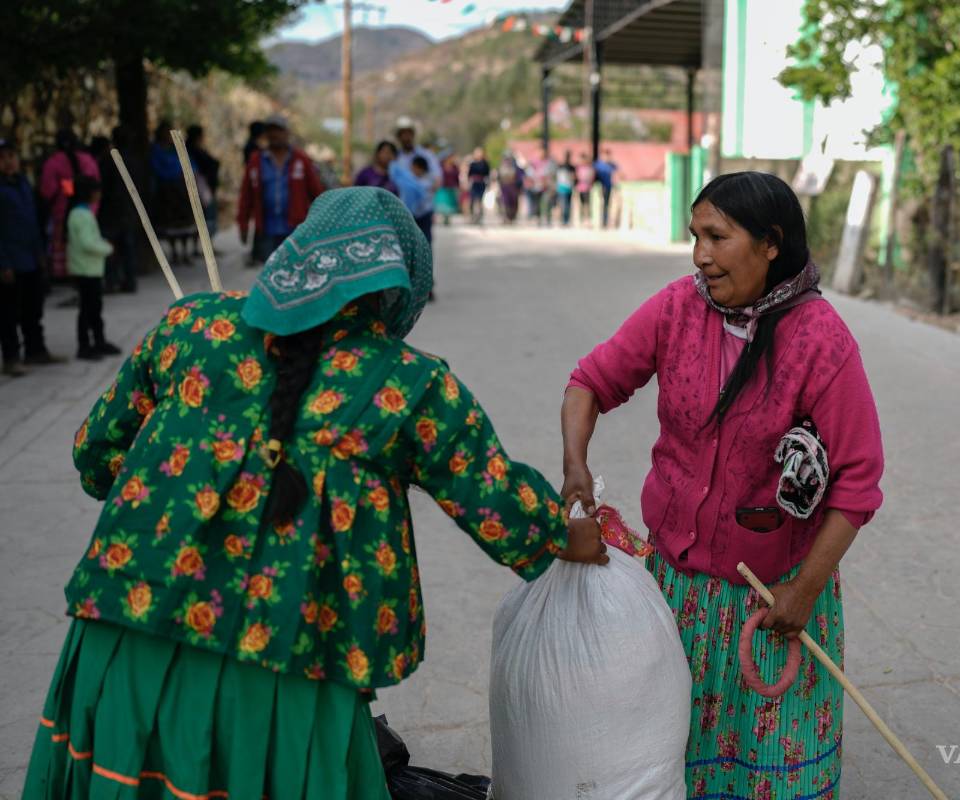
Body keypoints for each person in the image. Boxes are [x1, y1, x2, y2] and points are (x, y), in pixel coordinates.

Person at [21, 187, 607, 798]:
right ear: (394, 287)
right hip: (292, 657)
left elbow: (96, 456)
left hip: (125, 629)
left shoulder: (190, 325)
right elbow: (498, 504)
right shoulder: (410, 383)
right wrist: (569, 535)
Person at [562, 171, 884, 799]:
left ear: (770, 243)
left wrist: (803, 590)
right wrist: (576, 464)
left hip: (770, 606)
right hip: (675, 593)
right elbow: (589, 382)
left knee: (765, 776)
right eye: (695, 236)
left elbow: (858, 482)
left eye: (717, 236)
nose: (700, 255)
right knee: (669, 767)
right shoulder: (676, 309)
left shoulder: (822, 341)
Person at [0, 138, 60, 374]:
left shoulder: (24, 183)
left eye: (11, 156)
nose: (8, 162)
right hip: (9, 261)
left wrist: (40, 254)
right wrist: (3, 263)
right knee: (7, 312)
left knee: (33, 308)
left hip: (31, 258)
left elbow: (33, 222)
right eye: (3, 158)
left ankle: (36, 350)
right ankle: (11, 357)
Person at [237, 114, 325, 265]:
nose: (274, 134)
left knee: (295, 269)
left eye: (278, 130)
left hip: (295, 229)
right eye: (270, 130)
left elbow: (317, 193)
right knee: (269, 272)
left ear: (287, 133)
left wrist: (323, 222)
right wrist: (243, 224)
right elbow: (246, 195)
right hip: (266, 230)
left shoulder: (301, 159)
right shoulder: (256, 160)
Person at [65, 176, 119, 361]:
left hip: (91, 269)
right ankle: (84, 346)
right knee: (88, 309)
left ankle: (99, 341)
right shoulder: (81, 215)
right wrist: (108, 248)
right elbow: (88, 243)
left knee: (95, 308)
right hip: (85, 270)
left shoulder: (82, 213)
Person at [39, 128, 99, 279]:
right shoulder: (87, 161)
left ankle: (72, 279)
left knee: (68, 251)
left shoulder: (52, 163)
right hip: (88, 213)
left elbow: (47, 192)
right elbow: (95, 185)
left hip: (61, 216)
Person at [94, 126, 139, 293]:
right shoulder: (134, 160)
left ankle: (112, 280)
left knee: (111, 248)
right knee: (127, 248)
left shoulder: (106, 161)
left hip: (111, 212)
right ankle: (129, 280)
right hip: (128, 210)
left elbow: (102, 186)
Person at [149, 121, 197, 264]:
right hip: (167, 192)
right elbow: (157, 169)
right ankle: (175, 253)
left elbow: (191, 164)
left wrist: (186, 174)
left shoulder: (177, 149)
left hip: (182, 189)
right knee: (171, 225)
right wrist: (173, 174)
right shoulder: (156, 150)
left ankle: (185, 252)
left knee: (186, 224)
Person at [389, 117, 441, 243]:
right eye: (403, 134)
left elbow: (437, 178)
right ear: (398, 136)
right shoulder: (395, 159)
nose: (406, 137)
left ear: (413, 134)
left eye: (408, 133)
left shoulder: (426, 155)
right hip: (402, 212)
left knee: (424, 245)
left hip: (424, 210)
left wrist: (422, 191)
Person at [186, 125, 221, 244]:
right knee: (205, 216)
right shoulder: (191, 151)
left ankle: (207, 244)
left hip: (205, 187)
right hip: (200, 187)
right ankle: (205, 244)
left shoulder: (198, 150)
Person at [525, 147, 551, 225]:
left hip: (544, 187)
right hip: (535, 187)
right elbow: (529, 174)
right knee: (536, 203)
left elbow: (548, 174)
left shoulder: (547, 163)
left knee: (545, 202)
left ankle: (546, 217)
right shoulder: (532, 163)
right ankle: (537, 217)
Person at [465, 148, 491, 225]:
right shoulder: (472, 164)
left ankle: (479, 216)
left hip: (481, 183)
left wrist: (488, 183)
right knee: (472, 200)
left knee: (480, 200)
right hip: (474, 183)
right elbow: (469, 174)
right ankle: (472, 216)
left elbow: (487, 174)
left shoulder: (485, 164)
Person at [497, 153, 523, 224]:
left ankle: (512, 217)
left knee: (513, 203)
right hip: (504, 187)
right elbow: (498, 178)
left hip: (513, 187)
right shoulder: (501, 167)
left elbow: (520, 178)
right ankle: (505, 217)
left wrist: (518, 186)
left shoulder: (515, 168)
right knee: (504, 202)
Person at [434, 153, 461, 224]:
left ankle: (448, 217)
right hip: (443, 187)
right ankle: (444, 217)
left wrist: (458, 186)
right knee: (443, 203)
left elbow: (457, 177)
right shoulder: (441, 166)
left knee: (450, 204)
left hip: (452, 187)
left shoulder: (454, 167)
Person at [594, 148, 618, 228]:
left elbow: (618, 174)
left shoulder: (612, 165)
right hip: (600, 187)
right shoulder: (597, 165)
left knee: (607, 204)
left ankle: (605, 221)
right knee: (600, 204)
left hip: (609, 187)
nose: (606, 157)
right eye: (605, 155)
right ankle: (599, 220)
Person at [555, 151, 576, 227]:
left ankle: (565, 220)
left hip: (567, 188)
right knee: (564, 205)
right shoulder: (561, 167)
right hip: (562, 188)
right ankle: (564, 220)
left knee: (566, 204)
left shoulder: (571, 167)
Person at [575, 155, 595, 226]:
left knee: (587, 204)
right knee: (581, 204)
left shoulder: (590, 168)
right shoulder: (578, 168)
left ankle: (587, 219)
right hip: (580, 189)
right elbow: (576, 177)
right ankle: (581, 219)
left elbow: (592, 177)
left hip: (587, 189)